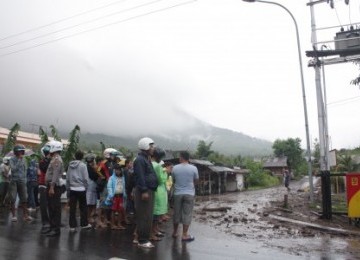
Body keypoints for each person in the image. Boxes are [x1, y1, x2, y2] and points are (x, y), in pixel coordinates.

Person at [133, 137, 158, 248]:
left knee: (148, 216)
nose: (153, 148)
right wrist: (144, 190)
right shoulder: (139, 160)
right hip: (145, 191)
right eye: (151, 146)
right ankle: (142, 240)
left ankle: (142, 238)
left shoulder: (146, 158)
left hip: (149, 190)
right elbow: (140, 176)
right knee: (144, 216)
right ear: (145, 146)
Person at [172, 151, 199, 242]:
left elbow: (173, 180)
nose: (179, 158)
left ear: (182, 157)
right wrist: (191, 187)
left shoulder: (175, 168)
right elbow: (196, 180)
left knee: (176, 213)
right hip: (189, 193)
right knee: (187, 214)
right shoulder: (194, 168)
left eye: (179, 156)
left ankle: (175, 232)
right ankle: (184, 235)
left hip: (177, 193)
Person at [66, 150, 91, 232]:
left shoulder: (70, 165)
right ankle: (84, 224)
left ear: (75, 156)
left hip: (72, 189)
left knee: (72, 208)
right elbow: (86, 178)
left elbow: (67, 178)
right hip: (81, 189)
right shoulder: (83, 166)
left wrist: (68, 188)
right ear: (82, 157)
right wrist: (86, 187)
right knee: (83, 207)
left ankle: (72, 226)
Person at [45, 140, 64, 237]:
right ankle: (52, 227)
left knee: (55, 207)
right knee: (51, 207)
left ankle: (56, 229)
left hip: (54, 186)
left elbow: (55, 174)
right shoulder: (54, 158)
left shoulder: (57, 159)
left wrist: (51, 187)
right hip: (51, 185)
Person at [8, 144, 32, 222]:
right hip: (14, 181)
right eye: (20, 151)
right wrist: (18, 160)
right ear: (16, 152)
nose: (22, 152)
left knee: (24, 199)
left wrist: (25, 179)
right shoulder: (12, 159)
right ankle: (14, 216)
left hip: (22, 181)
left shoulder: (24, 159)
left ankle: (25, 216)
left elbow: (25, 169)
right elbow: (13, 169)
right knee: (13, 198)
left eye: (22, 151)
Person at [151, 148, 168, 241]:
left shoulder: (150, 163)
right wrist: (166, 172)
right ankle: (152, 233)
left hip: (154, 190)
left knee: (155, 214)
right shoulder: (157, 166)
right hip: (158, 190)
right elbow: (161, 179)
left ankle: (154, 230)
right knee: (155, 214)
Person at [106, 163, 126, 230]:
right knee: (113, 211)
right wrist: (111, 195)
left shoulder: (122, 178)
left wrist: (125, 194)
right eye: (116, 170)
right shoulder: (111, 178)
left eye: (119, 170)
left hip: (121, 196)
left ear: (121, 170)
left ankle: (119, 224)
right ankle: (112, 224)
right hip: (114, 196)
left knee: (120, 210)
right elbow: (109, 187)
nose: (118, 171)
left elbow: (124, 187)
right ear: (114, 170)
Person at [38, 144, 51, 234]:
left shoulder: (52, 161)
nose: (48, 154)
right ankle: (45, 223)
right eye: (47, 153)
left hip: (50, 184)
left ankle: (51, 221)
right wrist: (47, 159)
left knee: (51, 204)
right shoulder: (42, 161)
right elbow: (45, 169)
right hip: (43, 184)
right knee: (43, 205)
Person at [85, 154, 98, 226]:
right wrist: (95, 170)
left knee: (91, 203)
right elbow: (94, 176)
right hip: (90, 187)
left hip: (91, 187)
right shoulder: (89, 168)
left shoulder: (88, 167)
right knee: (89, 204)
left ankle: (89, 217)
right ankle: (88, 218)